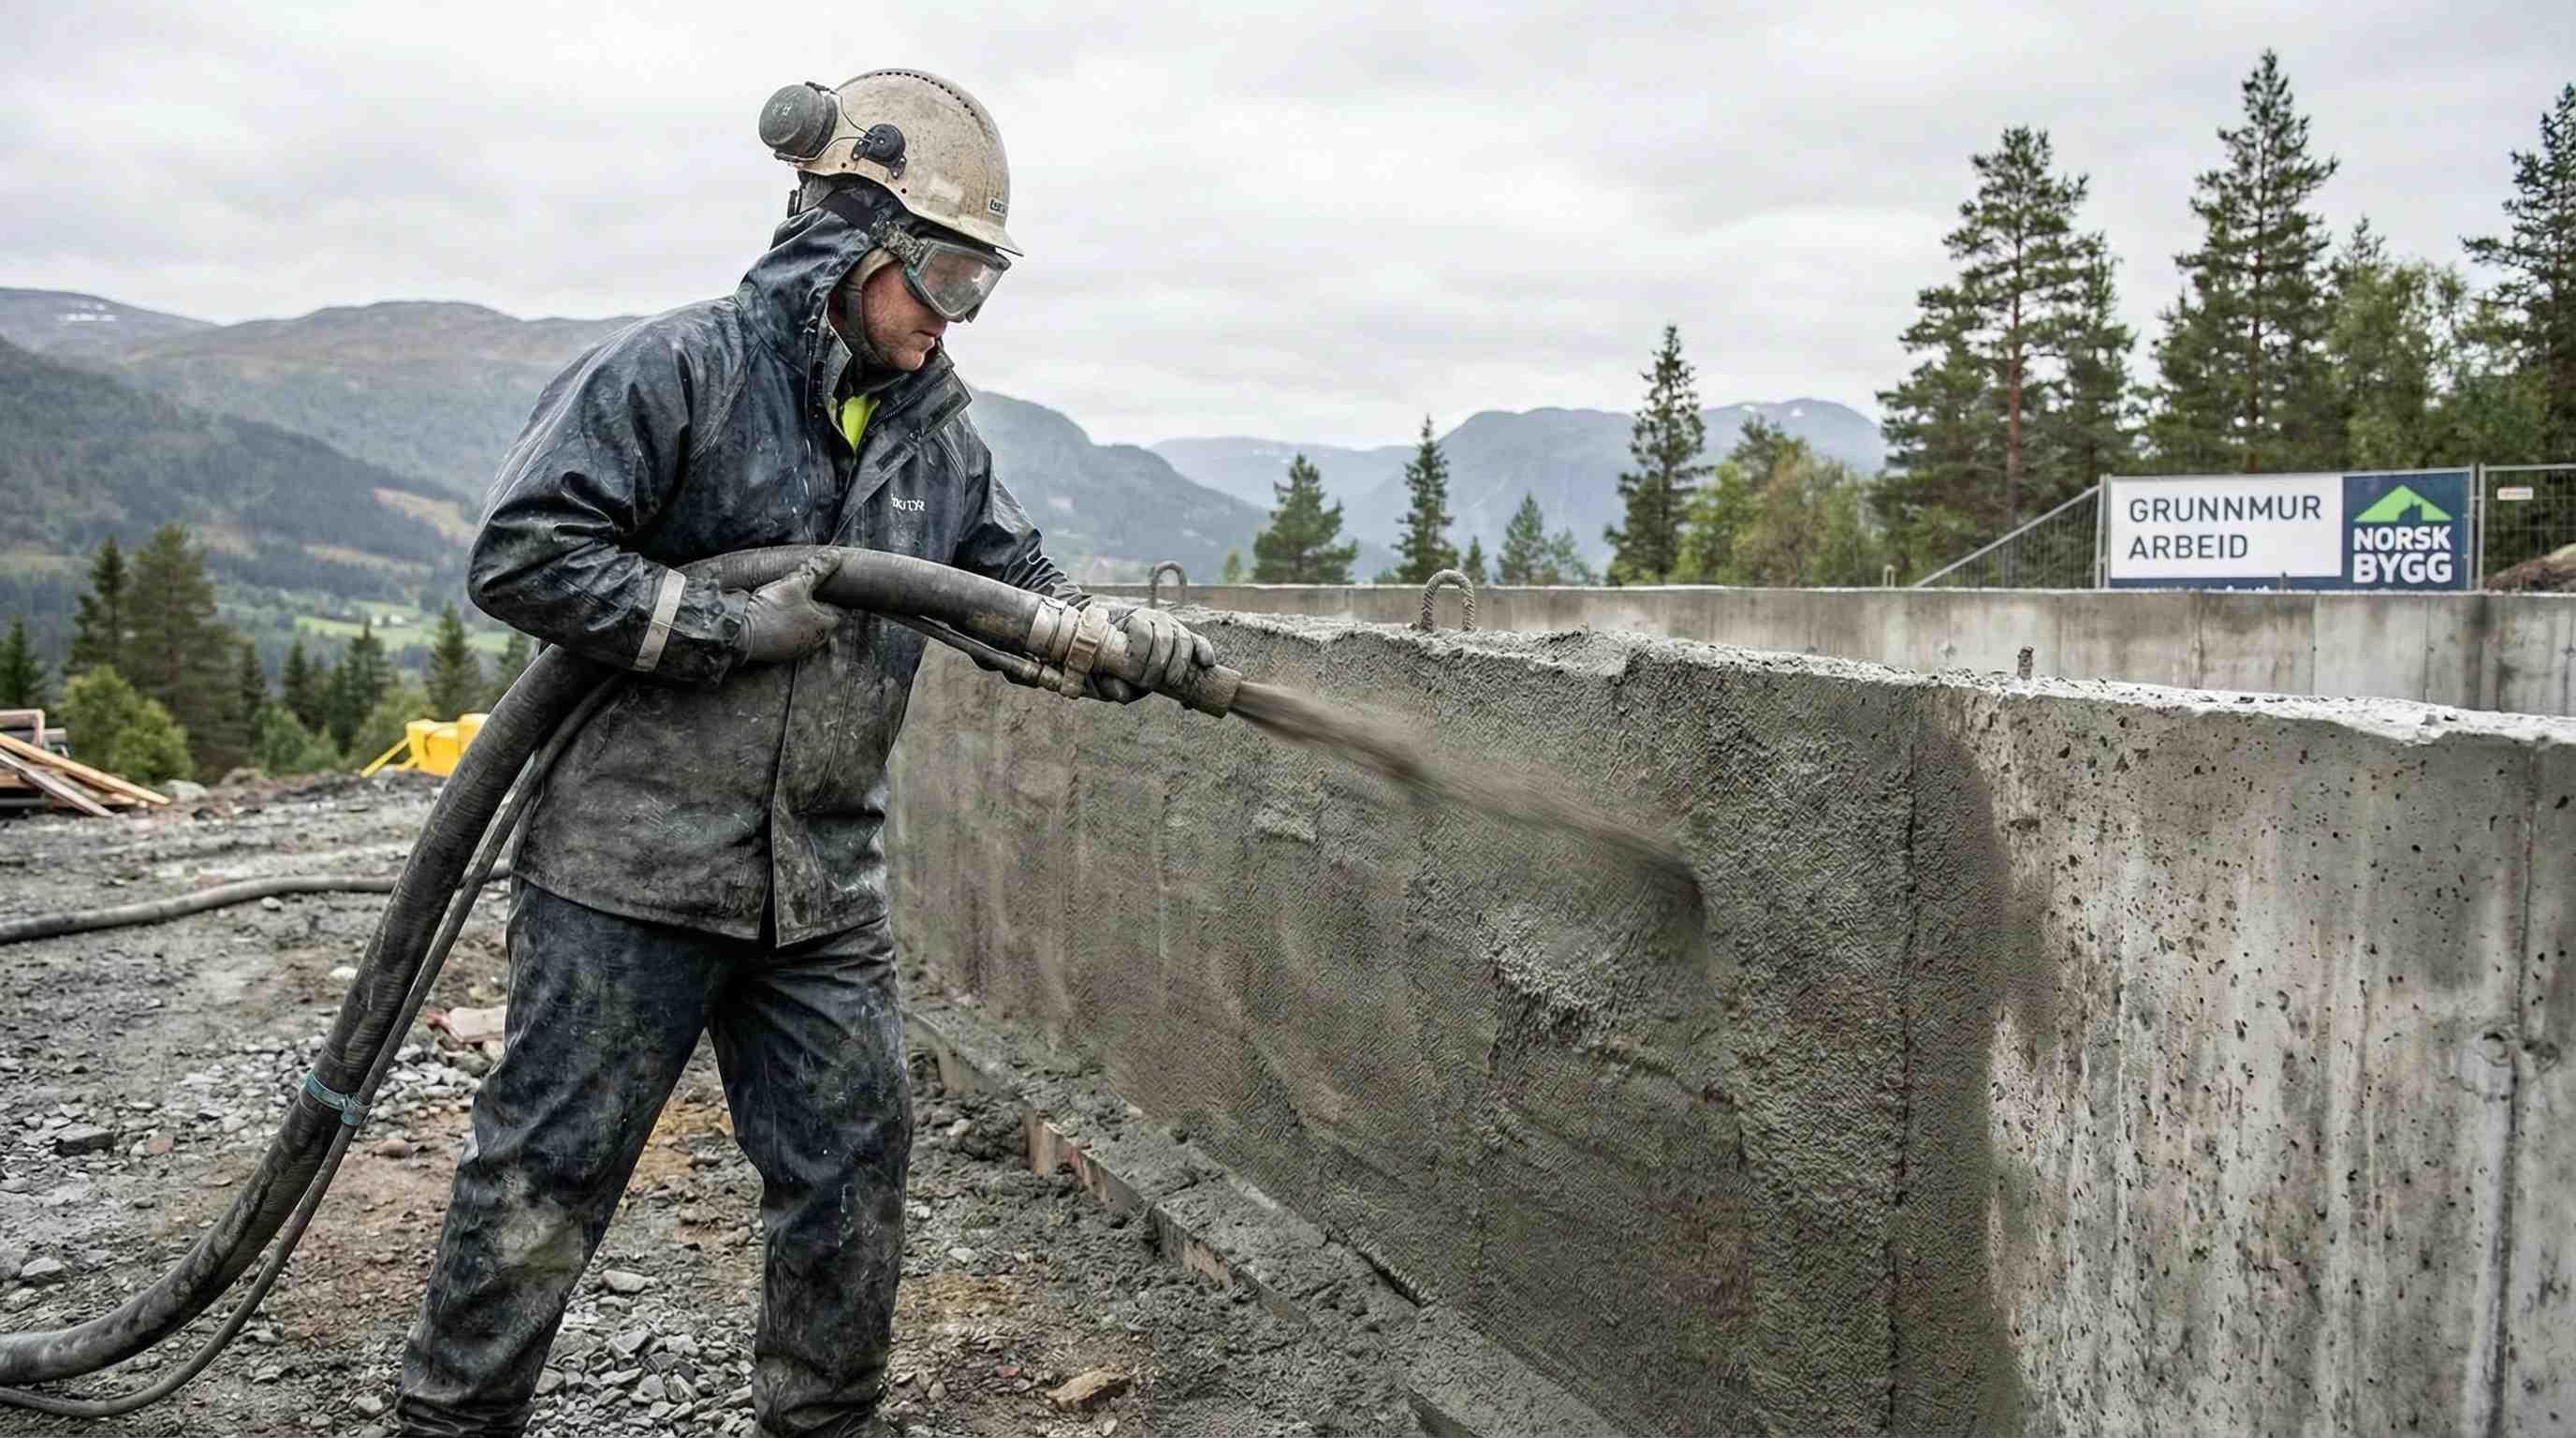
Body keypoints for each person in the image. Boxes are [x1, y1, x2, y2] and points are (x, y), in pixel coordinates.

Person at [395, 70, 1216, 1438]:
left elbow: (1007, 588)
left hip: (818, 885)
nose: (951, 319)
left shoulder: (935, 430)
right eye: (943, 279)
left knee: (850, 1167)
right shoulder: (677, 373)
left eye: (975, 289)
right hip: (630, 872)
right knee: (547, 1173)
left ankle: (824, 1423)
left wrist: (1120, 643)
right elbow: (524, 552)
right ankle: (451, 1422)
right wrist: (714, 620)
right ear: (851, 245)